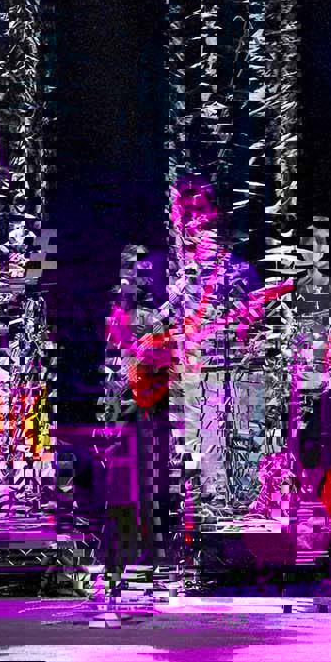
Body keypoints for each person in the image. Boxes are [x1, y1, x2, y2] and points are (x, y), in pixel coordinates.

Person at [107, 175, 266, 526]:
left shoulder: (239, 274)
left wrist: (235, 337)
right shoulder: (148, 270)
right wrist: (141, 354)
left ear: (217, 215)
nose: (193, 218)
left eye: (201, 209)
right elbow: (116, 328)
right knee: (155, 494)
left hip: (213, 401)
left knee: (209, 495)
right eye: (184, 210)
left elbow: (250, 349)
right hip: (155, 400)